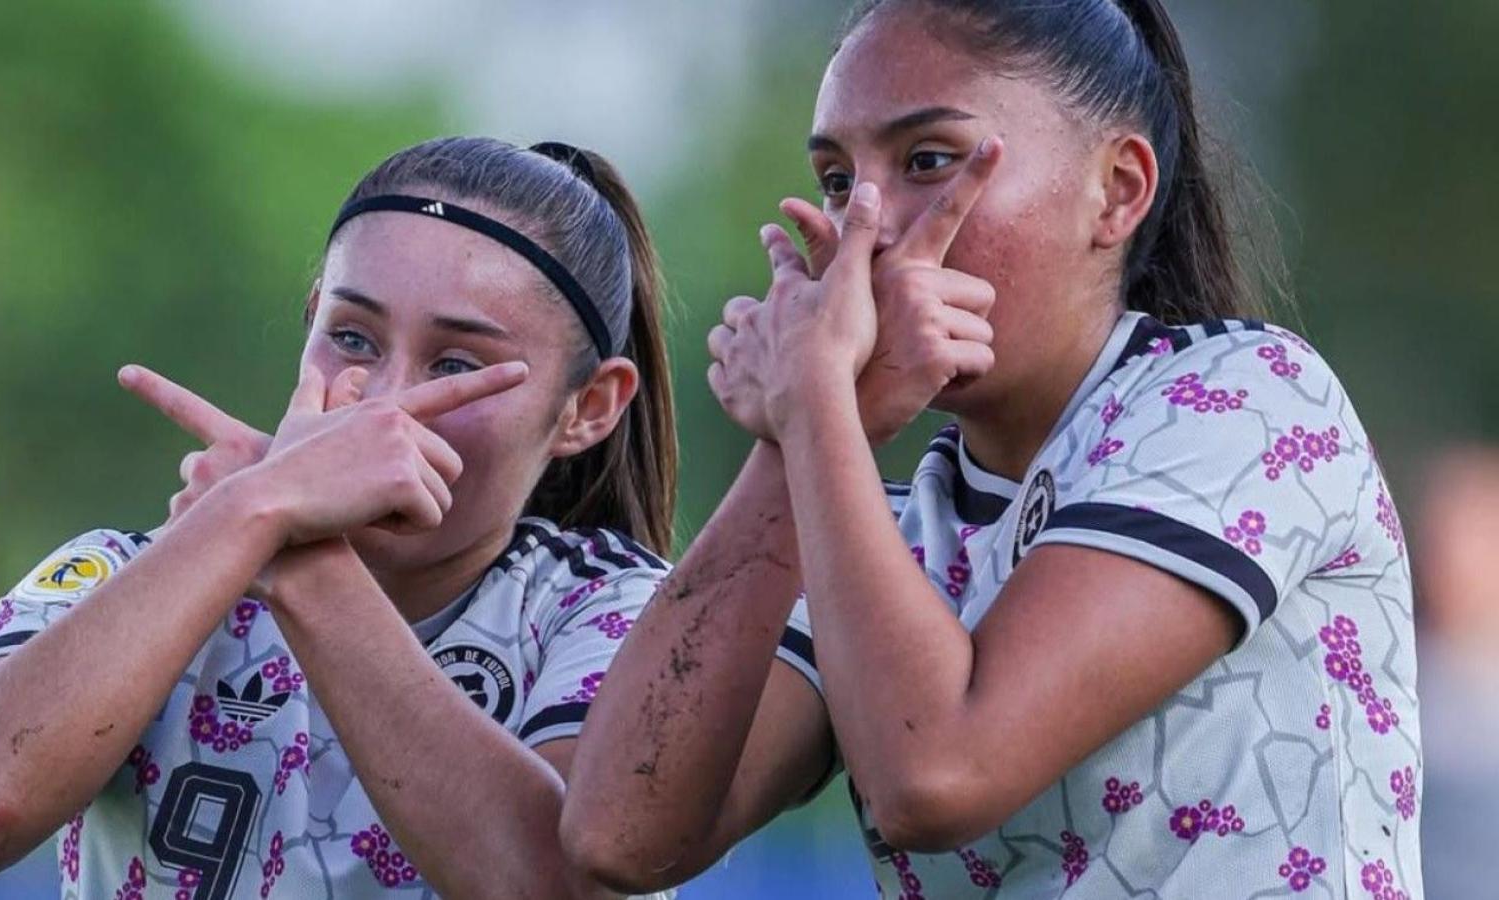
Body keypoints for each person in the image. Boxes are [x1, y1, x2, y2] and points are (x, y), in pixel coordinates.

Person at [563, 1, 1422, 897]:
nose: (869, 230)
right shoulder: (876, 532)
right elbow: (617, 832)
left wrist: (813, 403)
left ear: (1119, 189)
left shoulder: (1251, 403)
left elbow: (936, 775)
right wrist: (795, 440)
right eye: (834, 178)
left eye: (928, 160)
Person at [0, 135, 681, 900]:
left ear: (589, 406)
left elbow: (564, 886)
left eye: (456, 365)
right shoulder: (129, 570)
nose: (382, 404)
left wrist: (302, 561)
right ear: (311, 319)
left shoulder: (629, 616)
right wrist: (251, 510)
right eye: (351, 338)